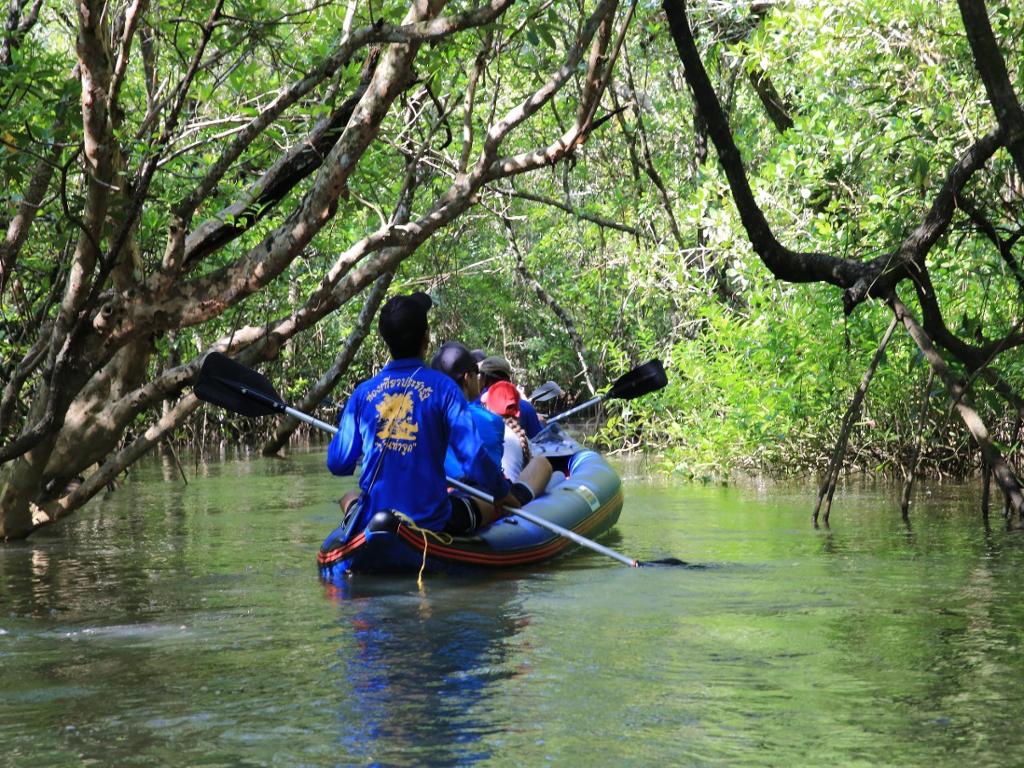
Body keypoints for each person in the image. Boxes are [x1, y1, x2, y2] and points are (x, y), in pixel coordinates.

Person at [326, 292, 523, 536]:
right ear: (426, 337)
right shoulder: (445, 389)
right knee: (487, 504)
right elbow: (473, 459)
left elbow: (338, 463)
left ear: (386, 341)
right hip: (432, 522)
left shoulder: (362, 394)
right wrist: (503, 493)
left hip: (374, 517)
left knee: (353, 496)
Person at [432, 342, 552, 501]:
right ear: (468, 378)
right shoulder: (491, 420)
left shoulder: (425, 419)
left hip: (440, 495)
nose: (479, 379)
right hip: (483, 498)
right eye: (476, 373)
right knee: (543, 463)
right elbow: (490, 472)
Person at [478, 355, 545, 437]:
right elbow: (538, 441)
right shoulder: (526, 408)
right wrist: (541, 423)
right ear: (508, 379)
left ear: (484, 378)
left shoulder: (474, 404)